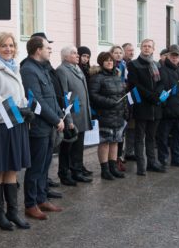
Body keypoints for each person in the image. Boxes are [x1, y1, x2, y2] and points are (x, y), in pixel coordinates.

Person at [0, 32, 32, 228]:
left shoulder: (14, 67)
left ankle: (13, 212)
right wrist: (19, 111)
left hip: (16, 125)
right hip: (0, 126)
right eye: (4, 46)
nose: (8, 49)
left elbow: (19, 96)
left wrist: (25, 108)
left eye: (11, 45)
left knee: (12, 168)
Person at [20, 35, 65, 220]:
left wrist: (59, 116)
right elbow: (36, 100)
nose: (50, 50)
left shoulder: (43, 68)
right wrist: (56, 119)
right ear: (38, 50)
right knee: (36, 167)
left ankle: (41, 198)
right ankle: (30, 204)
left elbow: (51, 97)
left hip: (49, 125)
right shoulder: (29, 70)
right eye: (47, 48)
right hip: (39, 127)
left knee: (45, 165)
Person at [127, 39, 165, 176]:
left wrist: (158, 94)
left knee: (151, 137)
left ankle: (152, 163)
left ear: (153, 49)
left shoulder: (157, 64)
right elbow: (134, 84)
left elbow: (162, 82)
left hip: (156, 106)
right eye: (144, 46)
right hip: (142, 106)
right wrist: (151, 96)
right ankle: (141, 166)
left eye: (149, 46)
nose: (147, 48)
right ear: (141, 48)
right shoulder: (134, 64)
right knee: (139, 137)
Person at [56, 45, 93, 185]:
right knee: (68, 146)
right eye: (73, 53)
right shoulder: (62, 70)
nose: (77, 55)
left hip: (81, 112)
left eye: (77, 53)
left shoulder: (77, 68)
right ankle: (65, 173)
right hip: (72, 114)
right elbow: (64, 96)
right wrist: (68, 118)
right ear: (65, 56)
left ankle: (77, 170)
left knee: (78, 145)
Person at [88, 51, 128, 179]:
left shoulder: (117, 75)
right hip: (105, 114)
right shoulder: (96, 77)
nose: (110, 62)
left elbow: (123, 94)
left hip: (118, 114)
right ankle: (105, 170)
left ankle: (113, 167)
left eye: (111, 60)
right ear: (101, 62)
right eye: (106, 60)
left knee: (115, 141)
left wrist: (125, 109)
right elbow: (93, 95)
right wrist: (110, 102)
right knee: (105, 142)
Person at [156, 45, 179, 167]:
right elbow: (160, 91)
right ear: (168, 56)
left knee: (178, 136)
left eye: (177, 56)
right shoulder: (161, 70)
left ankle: (176, 159)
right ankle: (163, 160)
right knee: (163, 138)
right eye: (172, 55)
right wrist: (165, 104)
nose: (175, 58)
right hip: (167, 111)